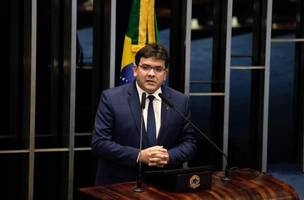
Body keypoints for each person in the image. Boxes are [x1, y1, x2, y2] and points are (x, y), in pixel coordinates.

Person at [92, 43, 197, 185]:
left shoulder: (180, 101)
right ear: (135, 70)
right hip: (120, 185)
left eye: (158, 69)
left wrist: (168, 156)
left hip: (164, 185)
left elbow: (189, 143)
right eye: (145, 67)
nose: (151, 74)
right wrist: (139, 155)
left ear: (165, 74)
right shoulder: (111, 98)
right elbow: (100, 143)